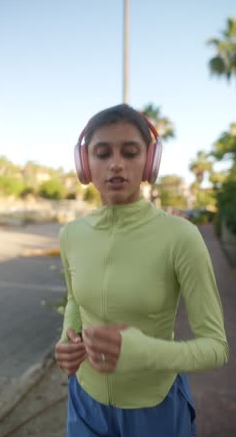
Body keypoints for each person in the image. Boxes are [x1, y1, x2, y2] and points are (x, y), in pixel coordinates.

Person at [55, 104, 228, 437]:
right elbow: (76, 301)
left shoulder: (181, 237)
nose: (116, 163)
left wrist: (142, 351)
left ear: (150, 161)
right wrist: (69, 337)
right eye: (102, 153)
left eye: (130, 152)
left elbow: (216, 348)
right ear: (84, 164)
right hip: (85, 402)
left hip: (156, 408)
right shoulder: (71, 235)